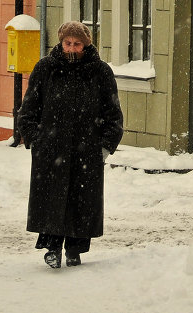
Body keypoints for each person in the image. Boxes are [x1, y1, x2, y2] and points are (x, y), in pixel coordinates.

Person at [16, 20, 123, 268]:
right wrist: (35, 139)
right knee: (51, 200)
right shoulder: (45, 68)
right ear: (61, 42)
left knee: (81, 201)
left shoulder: (100, 72)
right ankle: (51, 248)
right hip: (51, 149)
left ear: (86, 45)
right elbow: (29, 108)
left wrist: (105, 146)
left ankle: (75, 249)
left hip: (87, 150)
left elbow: (113, 113)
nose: (71, 48)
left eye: (77, 44)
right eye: (67, 43)